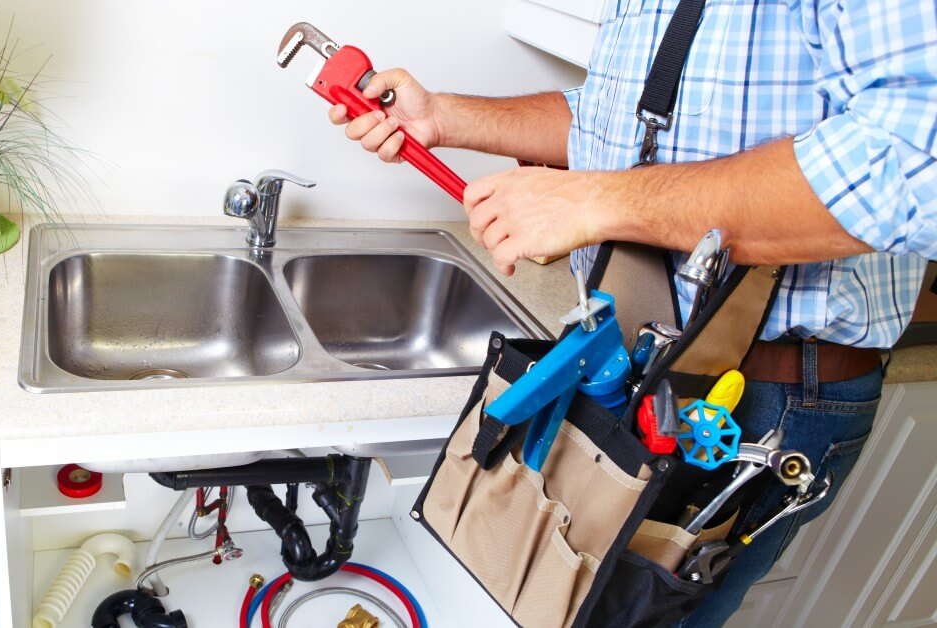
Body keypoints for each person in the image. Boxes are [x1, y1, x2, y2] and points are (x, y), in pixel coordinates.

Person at [328, 1, 935, 624]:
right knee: (553, 600)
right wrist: (446, 117)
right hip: (626, 350)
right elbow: (609, 122)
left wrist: (597, 198)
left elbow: (915, 163)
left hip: (750, 395)